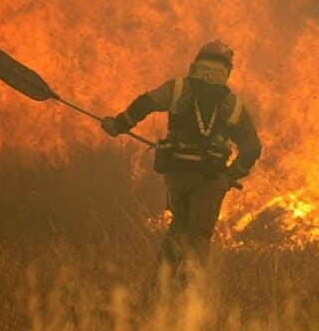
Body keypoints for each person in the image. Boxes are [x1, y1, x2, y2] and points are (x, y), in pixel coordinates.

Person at [101, 40, 261, 279]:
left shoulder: (177, 88)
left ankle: (161, 289)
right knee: (198, 239)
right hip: (210, 182)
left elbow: (145, 103)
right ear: (227, 71)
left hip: (177, 177)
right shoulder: (232, 104)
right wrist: (230, 175)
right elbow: (251, 147)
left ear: (196, 64)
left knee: (179, 230)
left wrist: (119, 124)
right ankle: (189, 298)